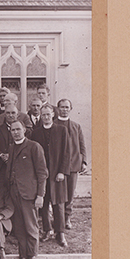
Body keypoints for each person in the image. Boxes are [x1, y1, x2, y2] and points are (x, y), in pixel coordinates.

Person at [6, 120, 48, 259]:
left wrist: (40, 195)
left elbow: (42, 173)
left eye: (18, 129)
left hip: (29, 194)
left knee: (31, 226)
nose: (16, 132)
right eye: (12, 130)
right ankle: (23, 255)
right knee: (19, 227)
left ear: (24, 130)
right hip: (14, 194)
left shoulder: (34, 147)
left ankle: (32, 256)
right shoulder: (12, 147)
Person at [31, 104, 70, 246]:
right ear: (41, 116)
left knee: (58, 203)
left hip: (56, 174)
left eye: (48, 114)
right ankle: (47, 230)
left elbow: (66, 152)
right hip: (42, 174)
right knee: (44, 202)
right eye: (43, 115)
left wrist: (61, 171)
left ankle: (60, 233)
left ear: (53, 114)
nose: (46, 117)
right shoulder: (36, 133)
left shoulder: (62, 130)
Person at [55, 98, 87, 230]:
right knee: (59, 194)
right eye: (62, 107)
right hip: (58, 167)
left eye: (67, 107)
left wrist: (83, 161)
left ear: (70, 109)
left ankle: (67, 218)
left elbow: (81, 145)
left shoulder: (76, 126)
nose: (64, 110)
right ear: (58, 109)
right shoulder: (53, 124)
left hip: (73, 165)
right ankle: (59, 219)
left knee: (70, 193)